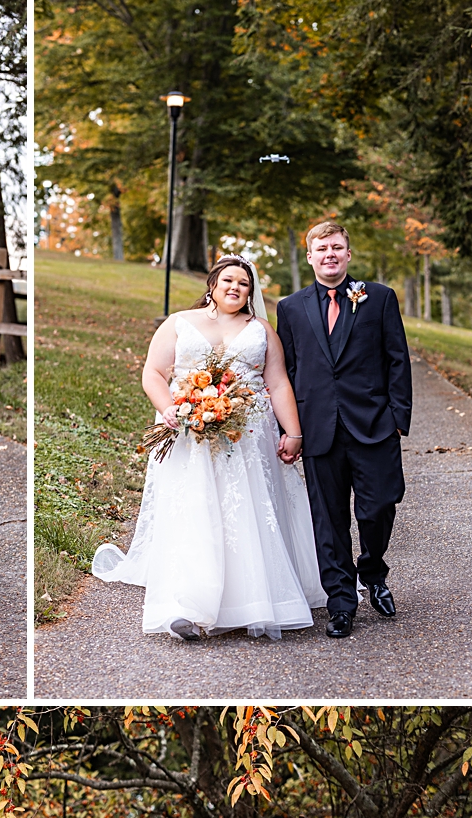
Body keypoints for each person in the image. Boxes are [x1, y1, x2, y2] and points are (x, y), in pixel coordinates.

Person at [91, 255, 326, 641]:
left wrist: (294, 432)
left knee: (247, 511)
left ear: (251, 292)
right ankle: (188, 605)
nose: (236, 287)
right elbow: (153, 372)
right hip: (189, 432)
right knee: (195, 508)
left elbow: (279, 383)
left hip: (249, 434)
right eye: (228, 280)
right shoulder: (180, 323)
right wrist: (168, 408)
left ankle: (252, 597)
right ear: (212, 284)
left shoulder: (262, 329)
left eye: (244, 283)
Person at [274, 220, 412, 638]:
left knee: (379, 508)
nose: (330, 254)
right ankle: (341, 602)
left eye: (337, 247)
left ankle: (372, 571)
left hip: (374, 426)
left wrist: (397, 419)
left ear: (348, 254)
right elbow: (288, 371)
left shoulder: (379, 298)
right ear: (310, 255)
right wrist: (291, 428)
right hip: (319, 430)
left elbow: (397, 360)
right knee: (328, 520)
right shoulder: (291, 308)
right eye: (322, 248)